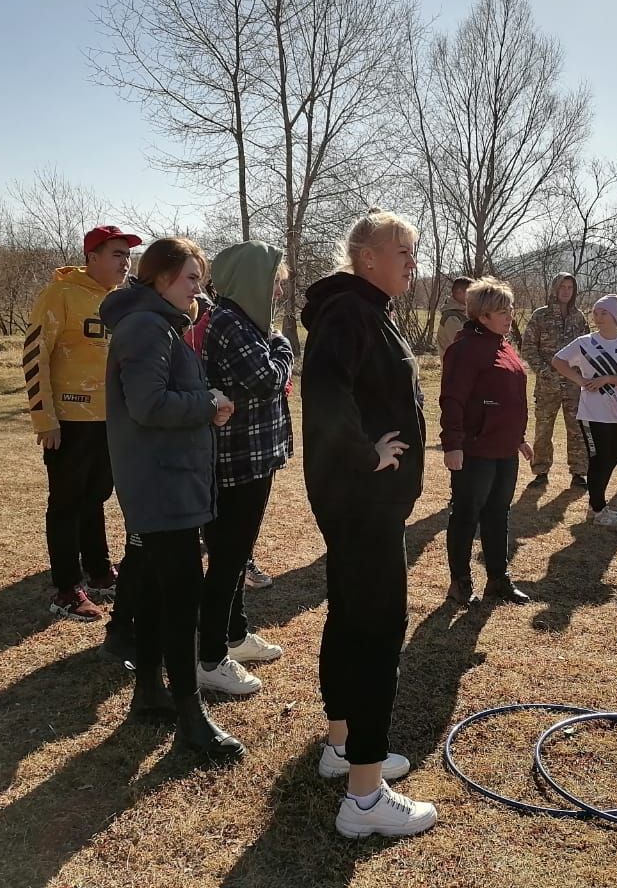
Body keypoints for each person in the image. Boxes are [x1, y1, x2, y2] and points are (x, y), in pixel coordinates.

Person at [300, 207, 436, 838]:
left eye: (413, 250)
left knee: (351, 616)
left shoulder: (361, 309)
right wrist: (366, 455)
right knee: (379, 627)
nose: (413, 260)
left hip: (362, 502)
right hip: (364, 501)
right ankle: (365, 795)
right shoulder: (350, 311)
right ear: (366, 257)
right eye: (402, 250)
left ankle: (341, 745)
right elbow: (325, 394)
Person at [101, 236, 244, 759]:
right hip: (161, 484)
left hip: (169, 479)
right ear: (160, 278)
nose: (198, 291)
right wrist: (207, 404)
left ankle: (149, 693)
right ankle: (191, 718)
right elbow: (148, 403)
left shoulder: (156, 324)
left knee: (163, 593)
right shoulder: (145, 327)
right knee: (183, 597)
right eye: (190, 279)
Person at [24, 224, 138, 622]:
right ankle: (67, 588)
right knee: (66, 504)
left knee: (96, 498)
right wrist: (45, 418)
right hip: (69, 421)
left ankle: (100, 571)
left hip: (111, 421)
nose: (125, 262)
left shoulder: (120, 300)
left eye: (128, 255)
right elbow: (34, 355)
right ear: (92, 257)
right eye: (117, 254)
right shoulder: (61, 294)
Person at [194, 241, 294, 696]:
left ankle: (234, 637)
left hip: (254, 458)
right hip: (236, 462)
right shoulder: (230, 322)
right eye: (275, 280)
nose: (278, 289)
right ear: (253, 279)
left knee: (236, 554)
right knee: (229, 557)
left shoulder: (248, 322)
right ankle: (210, 657)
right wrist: (285, 349)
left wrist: (275, 348)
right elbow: (266, 379)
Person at [440, 277, 534, 605]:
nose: (510, 316)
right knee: (467, 514)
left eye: (510, 309)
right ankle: (461, 583)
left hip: (504, 449)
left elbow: (509, 398)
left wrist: (518, 439)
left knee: (499, 513)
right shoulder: (464, 349)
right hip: (475, 450)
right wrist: (453, 444)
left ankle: (498, 579)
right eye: (502, 311)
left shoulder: (504, 346)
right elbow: (452, 399)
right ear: (482, 316)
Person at [551, 295, 617, 528]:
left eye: (603, 313)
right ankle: (598, 509)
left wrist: (609, 379)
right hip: (592, 414)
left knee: (612, 458)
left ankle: (598, 504)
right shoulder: (585, 342)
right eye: (595, 313)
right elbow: (558, 360)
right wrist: (580, 380)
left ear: (614, 315)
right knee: (598, 460)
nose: (598, 317)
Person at [520, 273, 589, 488]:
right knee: (543, 429)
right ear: (554, 289)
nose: (566, 291)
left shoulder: (579, 317)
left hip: (573, 384)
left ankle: (579, 472)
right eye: (562, 287)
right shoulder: (541, 316)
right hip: (547, 384)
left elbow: (587, 349)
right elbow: (528, 347)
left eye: (570, 287)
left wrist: (582, 375)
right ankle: (540, 471)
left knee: (577, 429)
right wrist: (543, 371)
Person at [436, 276, 473, 354]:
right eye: (471, 292)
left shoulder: (464, 313)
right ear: (459, 292)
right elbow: (464, 346)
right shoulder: (451, 317)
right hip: (456, 365)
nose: (473, 296)